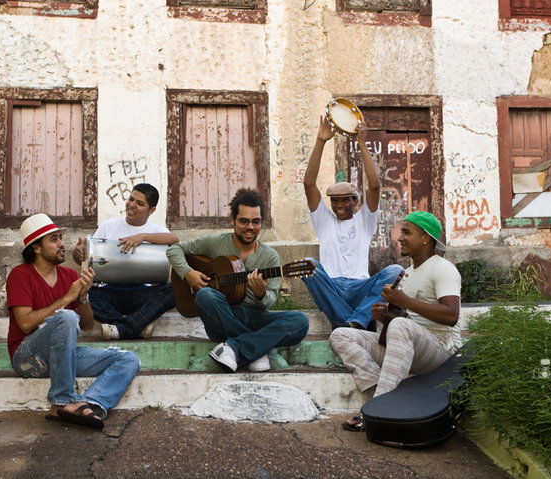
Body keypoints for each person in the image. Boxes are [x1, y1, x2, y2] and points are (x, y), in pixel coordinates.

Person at [7, 213, 141, 429]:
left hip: (62, 355)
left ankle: (91, 402)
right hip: (28, 357)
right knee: (66, 316)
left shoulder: (69, 275)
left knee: (128, 359)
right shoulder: (20, 275)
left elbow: (87, 326)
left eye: (60, 237)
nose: (62, 244)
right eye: (54, 239)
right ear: (36, 248)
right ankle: (61, 402)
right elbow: (25, 323)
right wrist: (67, 299)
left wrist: (82, 297)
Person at [330, 211, 461, 431]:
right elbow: (402, 324)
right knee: (341, 334)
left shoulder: (443, 268)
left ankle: (377, 411)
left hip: (440, 350)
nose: (400, 238)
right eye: (401, 232)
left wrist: (405, 302)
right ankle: (380, 386)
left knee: (401, 326)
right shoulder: (406, 274)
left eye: (407, 232)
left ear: (425, 238)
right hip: (410, 347)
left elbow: (451, 315)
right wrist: (384, 317)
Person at [166, 188, 309, 373]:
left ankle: (235, 348)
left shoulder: (270, 257)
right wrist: (188, 273)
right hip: (221, 317)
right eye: (244, 221)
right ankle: (256, 350)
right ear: (233, 221)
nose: (250, 227)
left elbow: (271, 300)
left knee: (300, 321)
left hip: (253, 317)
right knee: (205, 295)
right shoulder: (216, 243)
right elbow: (174, 249)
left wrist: (260, 294)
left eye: (256, 222)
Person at [302, 117, 403, 331]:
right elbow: (309, 183)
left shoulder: (364, 220)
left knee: (395, 270)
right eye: (335, 200)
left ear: (355, 202)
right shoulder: (323, 219)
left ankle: (350, 321)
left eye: (344, 200)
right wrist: (321, 141)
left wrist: (361, 143)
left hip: (360, 287)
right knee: (306, 264)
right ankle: (355, 323)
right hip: (330, 287)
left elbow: (374, 186)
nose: (338, 205)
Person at [72, 183, 178, 340]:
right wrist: (78, 253)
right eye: (131, 199)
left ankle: (120, 328)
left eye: (140, 203)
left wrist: (142, 237)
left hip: (142, 294)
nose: (131, 205)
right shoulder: (108, 226)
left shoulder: (157, 230)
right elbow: (87, 258)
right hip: (110, 291)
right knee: (79, 292)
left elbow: (174, 240)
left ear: (151, 210)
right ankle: (134, 326)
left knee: (173, 291)